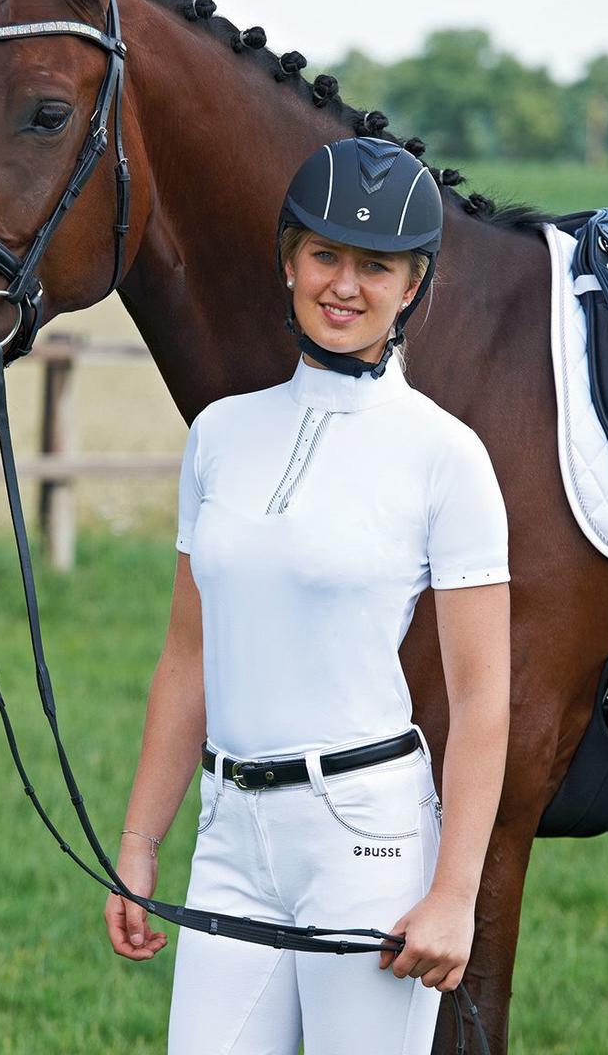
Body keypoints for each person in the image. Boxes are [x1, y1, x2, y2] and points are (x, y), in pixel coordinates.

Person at [103, 137, 511, 1055]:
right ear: (288, 261)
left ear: (413, 286)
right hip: (230, 831)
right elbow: (189, 655)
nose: (345, 284)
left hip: (365, 840)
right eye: (325, 254)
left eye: (377, 266)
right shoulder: (218, 435)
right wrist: (140, 843)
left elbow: (484, 700)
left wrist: (453, 893)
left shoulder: (446, 456)